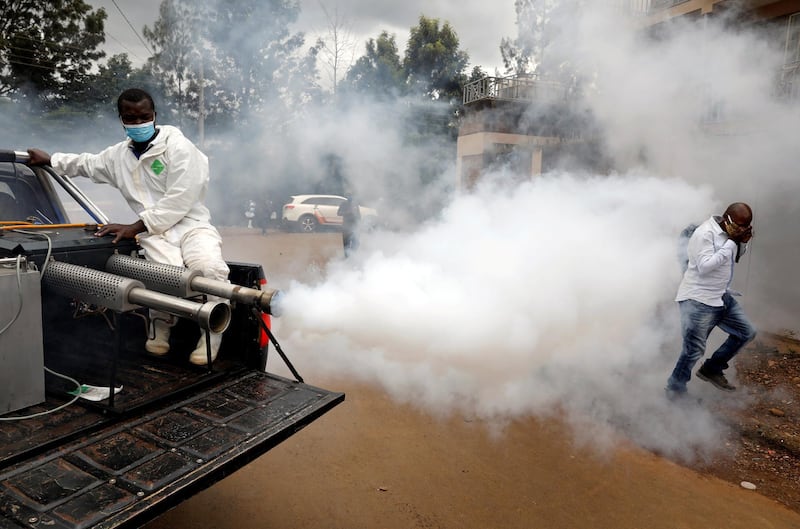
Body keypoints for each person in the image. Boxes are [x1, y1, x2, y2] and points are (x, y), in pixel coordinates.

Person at [27, 88, 228, 366]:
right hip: (154, 232)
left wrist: (136, 226)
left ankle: (211, 335)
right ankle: (160, 326)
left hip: (191, 224)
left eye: (144, 117)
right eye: (130, 118)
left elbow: (183, 194)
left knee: (209, 269)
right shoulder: (118, 156)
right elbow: (87, 163)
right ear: (121, 119)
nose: (138, 123)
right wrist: (51, 160)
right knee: (164, 276)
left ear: (154, 115)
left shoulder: (179, 148)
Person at [665, 202, 757, 399]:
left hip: (721, 296)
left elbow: (734, 256)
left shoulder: (731, 234)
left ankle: (712, 368)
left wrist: (742, 242)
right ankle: (675, 389)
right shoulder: (704, 234)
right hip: (698, 300)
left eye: (746, 227)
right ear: (727, 220)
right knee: (694, 350)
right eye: (740, 226)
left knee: (746, 332)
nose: (742, 230)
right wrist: (733, 242)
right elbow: (705, 266)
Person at [337, 193, 361, 258]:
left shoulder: (355, 205)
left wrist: (359, 224)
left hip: (354, 227)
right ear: (347, 197)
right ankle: (346, 257)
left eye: (351, 196)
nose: (350, 197)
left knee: (356, 242)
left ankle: (353, 255)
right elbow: (338, 213)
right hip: (345, 227)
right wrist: (347, 212)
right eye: (349, 196)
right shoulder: (343, 204)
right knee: (345, 243)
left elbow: (359, 215)